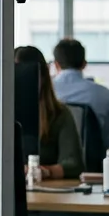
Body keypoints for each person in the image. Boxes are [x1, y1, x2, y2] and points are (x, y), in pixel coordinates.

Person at [17, 46, 83, 180]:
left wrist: (43, 171)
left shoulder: (59, 114)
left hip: (44, 187)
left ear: (43, 78)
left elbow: (74, 165)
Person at [52, 37, 109, 151]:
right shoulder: (104, 94)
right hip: (91, 160)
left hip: (53, 160)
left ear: (56, 65)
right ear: (84, 64)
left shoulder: (45, 92)